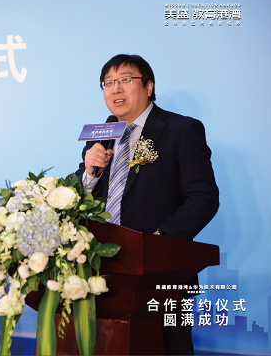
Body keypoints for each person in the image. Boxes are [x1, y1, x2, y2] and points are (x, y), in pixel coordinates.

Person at [76, 54, 219, 354]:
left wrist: (160, 240)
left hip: (162, 274)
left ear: (149, 86)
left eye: (125, 80)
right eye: (108, 83)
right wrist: (89, 173)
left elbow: (203, 198)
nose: (116, 89)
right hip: (103, 272)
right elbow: (79, 197)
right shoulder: (101, 136)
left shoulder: (181, 130)